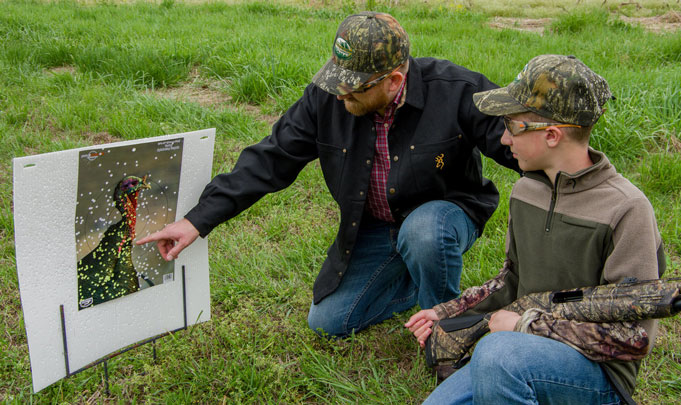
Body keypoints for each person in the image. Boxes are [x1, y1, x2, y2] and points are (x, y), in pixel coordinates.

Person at [136, 11, 519, 338]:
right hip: (374, 225)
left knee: (424, 232)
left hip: (443, 214)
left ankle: (445, 326)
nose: (340, 96)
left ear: (394, 82)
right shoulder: (326, 98)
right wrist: (196, 221)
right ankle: (412, 281)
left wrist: (572, 176)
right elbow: (272, 158)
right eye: (337, 81)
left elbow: (518, 144)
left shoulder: (455, 90)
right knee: (328, 323)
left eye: (352, 89)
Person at [405, 54, 666, 404]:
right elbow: (510, 279)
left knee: (498, 356)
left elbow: (632, 337)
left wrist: (523, 327)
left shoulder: (627, 209)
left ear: (552, 135)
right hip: (517, 350)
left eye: (512, 126)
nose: (504, 140)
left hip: (595, 374)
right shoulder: (526, 191)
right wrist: (446, 311)